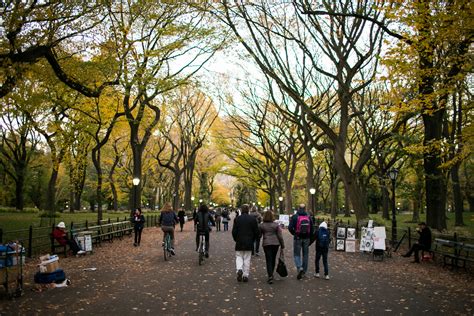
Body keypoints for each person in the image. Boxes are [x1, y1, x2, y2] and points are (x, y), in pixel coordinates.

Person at [232, 204, 259, 283]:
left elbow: (234, 231)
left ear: (241, 210)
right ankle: (245, 275)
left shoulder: (237, 219)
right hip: (249, 241)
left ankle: (239, 269)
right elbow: (256, 231)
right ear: (248, 210)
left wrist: (235, 239)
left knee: (239, 256)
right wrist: (254, 239)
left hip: (239, 241)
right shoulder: (252, 219)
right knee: (247, 258)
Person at [288, 203, 314, 280]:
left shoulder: (295, 216)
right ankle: (304, 271)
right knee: (305, 254)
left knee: (296, 254)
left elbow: (290, 227)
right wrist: (309, 236)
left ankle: (299, 268)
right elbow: (312, 228)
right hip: (306, 238)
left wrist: (294, 233)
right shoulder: (308, 217)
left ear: (298, 208)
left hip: (298, 237)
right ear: (305, 208)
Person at [259, 211, 285, 284]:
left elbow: (259, 235)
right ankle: (271, 273)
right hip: (275, 243)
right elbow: (280, 236)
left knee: (268, 259)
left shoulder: (262, 225)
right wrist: (282, 245)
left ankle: (270, 275)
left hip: (266, 244)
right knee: (273, 259)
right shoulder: (276, 225)